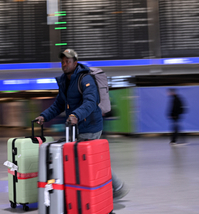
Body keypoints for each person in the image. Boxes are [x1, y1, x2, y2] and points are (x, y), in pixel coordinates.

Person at [35, 48, 129, 200]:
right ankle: (94, 189)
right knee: (87, 159)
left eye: (68, 61)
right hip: (76, 126)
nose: (64, 64)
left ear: (75, 62)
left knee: (88, 160)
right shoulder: (65, 81)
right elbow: (59, 104)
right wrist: (44, 116)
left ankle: (107, 188)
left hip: (90, 125)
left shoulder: (85, 79)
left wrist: (76, 115)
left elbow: (91, 102)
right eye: (63, 62)